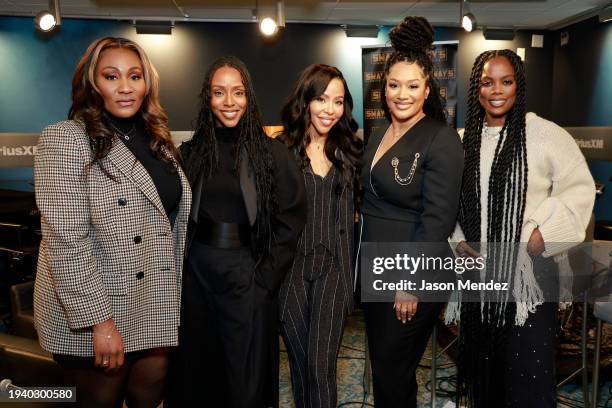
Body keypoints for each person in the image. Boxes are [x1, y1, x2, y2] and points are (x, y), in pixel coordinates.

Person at [33, 37, 191, 407]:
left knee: (150, 392)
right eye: (111, 76)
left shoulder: (157, 139)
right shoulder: (67, 138)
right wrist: (99, 324)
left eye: (134, 76)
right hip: (97, 305)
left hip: (151, 299)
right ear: (92, 83)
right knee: (101, 398)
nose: (125, 87)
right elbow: (66, 241)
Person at [449, 49, 595, 408]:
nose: (496, 90)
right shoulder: (462, 139)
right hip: (480, 276)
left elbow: (579, 190)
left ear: (519, 85)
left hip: (530, 276)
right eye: (487, 82)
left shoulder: (545, 134)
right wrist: (458, 240)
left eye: (506, 81)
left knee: (528, 376)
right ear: (476, 89)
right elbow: (444, 200)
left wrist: (543, 233)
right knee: (484, 375)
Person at [168, 56, 307, 408]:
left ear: (249, 98)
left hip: (248, 274)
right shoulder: (191, 152)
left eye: (238, 92)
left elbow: (291, 219)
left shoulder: (272, 154)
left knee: (244, 374)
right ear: (207, 98)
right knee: (199, 368)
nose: (229, 102)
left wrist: (264, 280)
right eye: (219, 93)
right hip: (197, 275)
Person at [358, 16, 464, 408]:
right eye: (393, 84)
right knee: (389, 370)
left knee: (393, 371)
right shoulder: (378, 132)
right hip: (376, 268)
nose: (401, 94)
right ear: (383, 87)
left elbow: (437, 221)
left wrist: (411, 282)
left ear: (426, 90)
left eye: (412, 86)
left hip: (410, 273)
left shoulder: (442, 139)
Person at [277, 64, 362, 408]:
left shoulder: (351, 151)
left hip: (334, 270)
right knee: (300, 365)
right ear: (306, 101)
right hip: (290, 272)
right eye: (322, 99)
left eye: (338, 101)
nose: (330, 109)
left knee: (320, 365)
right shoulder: (280, 152)